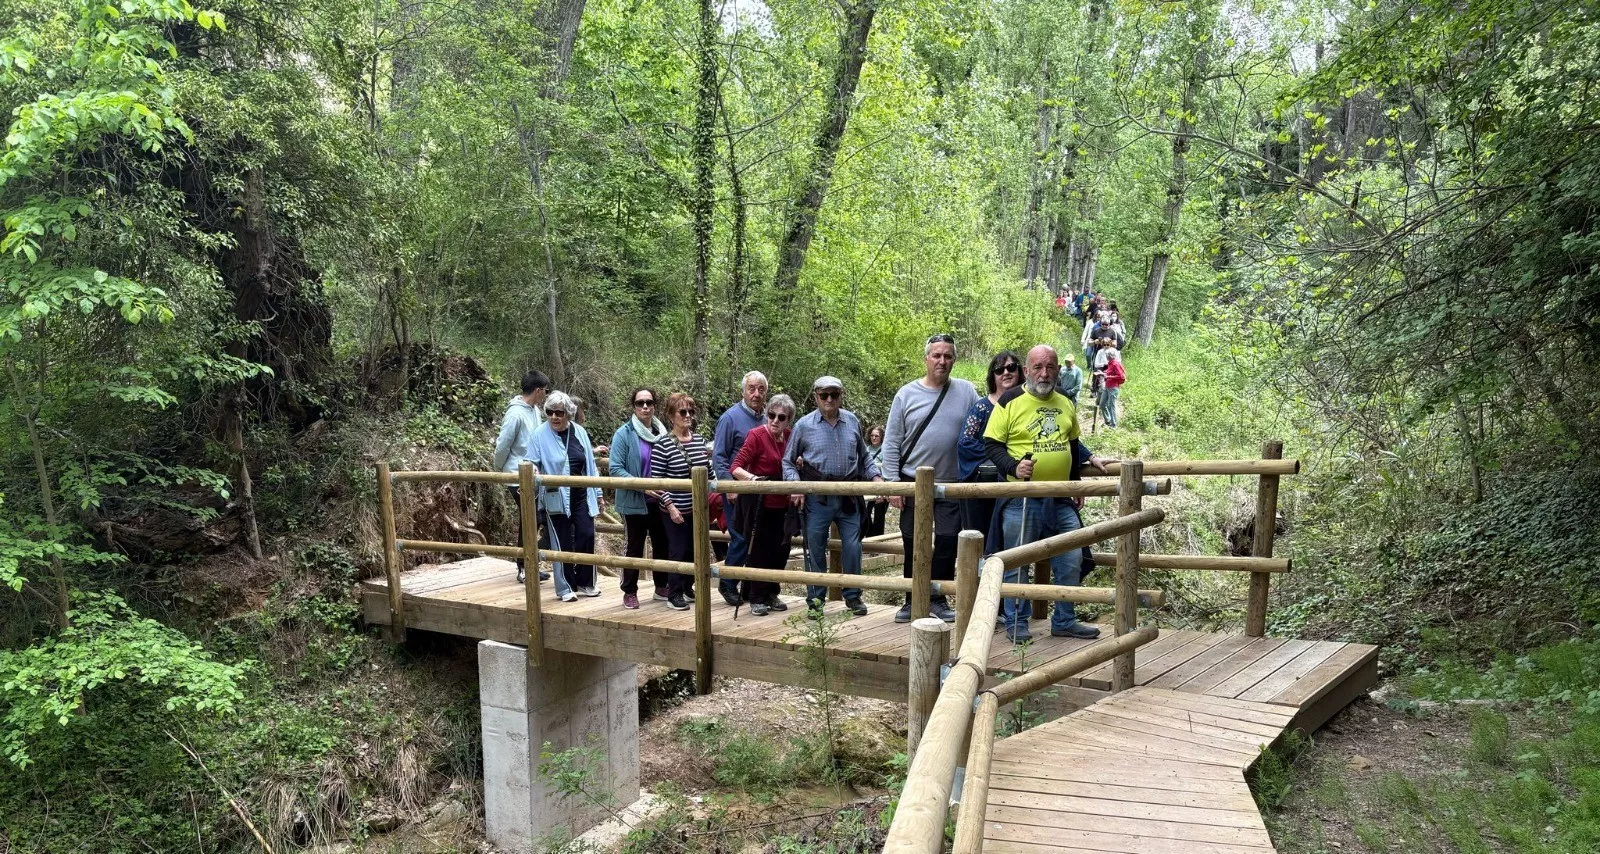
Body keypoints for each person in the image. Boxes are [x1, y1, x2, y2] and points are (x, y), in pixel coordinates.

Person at [984, 344, 1113, 643]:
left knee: (1072, 559)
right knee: (1017, 562)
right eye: (1038, 367)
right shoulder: (1010, 400)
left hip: (1060, 497)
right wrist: (1014, 466)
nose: (1044, 373)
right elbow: (991, 444)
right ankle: (1017, 622)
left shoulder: (1065, 400)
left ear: (1058, 370)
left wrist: (1075, 482)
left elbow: (1071, 443)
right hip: (1021, 498)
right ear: (1027, 370)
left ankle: (1064, 620)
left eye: (1050, 367)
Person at [881, 334, 978, 623]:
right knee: (914, 541)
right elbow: (891, 442)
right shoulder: (906, 394)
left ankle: (937, 598)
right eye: (937, 355)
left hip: (951, 482)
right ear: (926, 358)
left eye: (948, 356)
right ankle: (912, 599)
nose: (942, 361)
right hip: (912, 481)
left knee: (948, 539)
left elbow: (981, 427)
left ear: (954, 360)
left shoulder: (966, 391)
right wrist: (893, 484)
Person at [783, 376, 883, 616]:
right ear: (816, 396)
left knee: (853, 546)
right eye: (824, 395)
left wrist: (877, 479)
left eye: (834, 394)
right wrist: (796, 486)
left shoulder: (852, 421)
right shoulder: (804, 425)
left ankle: (853, 596)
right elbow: (788, 461)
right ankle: (816, 601)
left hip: (848, 496)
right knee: (815, 547)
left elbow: (864, 458)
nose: (829, 399)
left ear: (841, 395)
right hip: (817, 497)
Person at [526, 392, 600, 602]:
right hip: (555, 495)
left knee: (587, 535)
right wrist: (533, 469)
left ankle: (585, 582)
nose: (554, 417)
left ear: (568, 413)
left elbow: (590, 464)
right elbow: (531, 460)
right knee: (561, 541)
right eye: (550, 412)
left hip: (582, 493)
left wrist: (599, 493)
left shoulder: (580, 432)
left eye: (559, 413)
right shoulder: (539, 434)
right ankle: (566, 587)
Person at [729, 394, 797, 616]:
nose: (775, 420)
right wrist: (754, 479)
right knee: (759, 551)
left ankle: (772, 592)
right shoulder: (756, 435)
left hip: (783, 504)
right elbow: (735, 467)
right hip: (760, 504)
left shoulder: (790, 436)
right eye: (771, 415)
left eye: (781, 417)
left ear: (788, 420)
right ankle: (756, 597)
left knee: (781, 551)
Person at [609, 387, 671, 609]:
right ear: (633, 406)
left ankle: (661, 585)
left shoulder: (663, 433)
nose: (645, 406)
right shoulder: (624, 434)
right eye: (640, 403)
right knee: (634, 546)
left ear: (655, 405)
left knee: (662, 543)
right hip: (634, 501)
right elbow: (615, 469)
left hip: (660, 500)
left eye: (649, 402)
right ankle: (629, 591)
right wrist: (643, 487)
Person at [712, 371, 769, 606]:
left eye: (761, 389)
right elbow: (719, 456)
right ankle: (728, 582)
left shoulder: (768, 418)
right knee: (741, 538)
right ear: (743, 391)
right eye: (751, 389)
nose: (756, 394)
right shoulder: (730, 418)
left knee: (759, 539)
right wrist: (729, 486)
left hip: (760, 492)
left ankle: (752, 587)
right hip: (736, 491)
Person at [957, 351, 1022, 549]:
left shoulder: (1028, 406)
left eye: (1011, 367)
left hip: (1018, 484)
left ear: (1020, 371)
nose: (1006, 373)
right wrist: (1002, 455)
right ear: (992, 376)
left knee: (1013, 542)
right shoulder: (982, 408)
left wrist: (1089, 457)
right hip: (984, 487)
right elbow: (966, 442)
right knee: (981, 540)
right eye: (999, 370)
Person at [492, 370, 549, 583]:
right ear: (538, 390)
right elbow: (503, 444)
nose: (545, 395)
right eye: (545, 391)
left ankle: (529, 564)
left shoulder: (535, 411)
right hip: (516, 475)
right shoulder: (515, 414)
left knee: (534, 519)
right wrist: (501, 470)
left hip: (534, 475)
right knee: (532, 518)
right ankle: (524, 567)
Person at [654, 392, 708, 610]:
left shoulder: (700, 440)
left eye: (690, 411)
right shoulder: (663, 444)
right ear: (670, 416)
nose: (687, 416)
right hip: (674, 508)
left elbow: (708, 471)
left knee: (694, 550)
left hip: (697, 508)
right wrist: (671, 506)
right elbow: (657, 480)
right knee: (677, 550)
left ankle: (687, 586)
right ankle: (673, 593)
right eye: (682, 412)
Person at [862, 425, 889, 538]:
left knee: (879, 514)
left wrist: (884, 490)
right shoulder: (866, 450)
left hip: (882, 485)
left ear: (881, 437)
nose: (874, 438)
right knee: (866, 512)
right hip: (868, 486)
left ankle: (878, 539)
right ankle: (868, 537)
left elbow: (888, 470)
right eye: (872, 435)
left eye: (876, 436)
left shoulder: (886, 451)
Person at [1100, 348, 1125, 428]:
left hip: (1113, 387)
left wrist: (1108, 376)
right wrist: (1103, 373)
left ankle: (1113, 424)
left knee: (1111, 405)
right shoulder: (1110, 363)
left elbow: (1121, 376)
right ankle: (1108, 420)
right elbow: (1110, 371)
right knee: (1102, 404)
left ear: (1109, 356)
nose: (1106, 357)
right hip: (1107, 386)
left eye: (1107, 355)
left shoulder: (1115, 364)